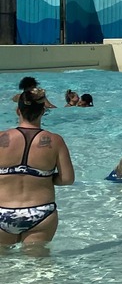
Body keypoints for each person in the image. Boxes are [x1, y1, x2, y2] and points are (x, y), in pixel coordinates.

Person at [0, 89, 75, 248]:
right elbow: (67, 179)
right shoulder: (55, 141)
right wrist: (44, 178)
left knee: (4, 267)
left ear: (18, 110)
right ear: (43, 111)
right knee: (39, 267)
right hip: (41, 213)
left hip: (3, 210)